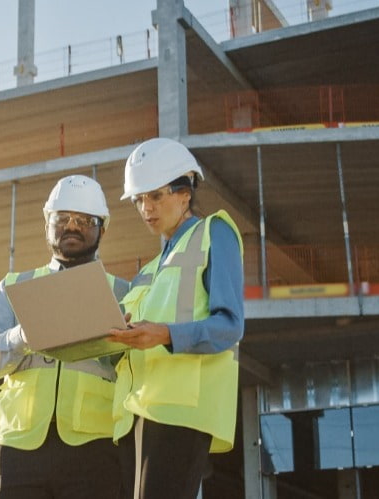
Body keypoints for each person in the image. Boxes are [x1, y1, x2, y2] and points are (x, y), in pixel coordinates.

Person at [0, 175, 134, 499]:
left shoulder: (124, 294)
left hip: (94, 448)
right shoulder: (14, 288)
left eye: (83, 220)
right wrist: (22, 336)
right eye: (62, 219)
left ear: (102, 228)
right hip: (18, 448)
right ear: (47, 223)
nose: (71, 227)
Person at [106, 138, 245, 499]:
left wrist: (165, 334)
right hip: (135, 414)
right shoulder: (148, 270)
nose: (145, 208)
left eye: (155, 196)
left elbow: (229, 326)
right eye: (139, 200)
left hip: (179, 412)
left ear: (185, 192)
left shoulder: (214, 233)